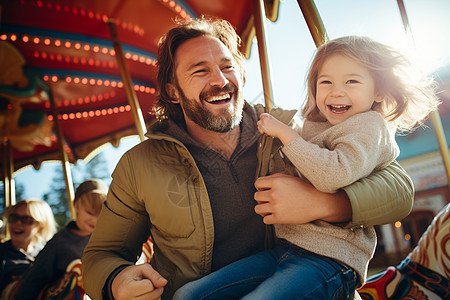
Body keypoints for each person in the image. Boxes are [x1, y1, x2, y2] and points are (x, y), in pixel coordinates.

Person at [82, 17, 415, 300]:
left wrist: (327, 204)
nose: (220, 80)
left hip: (304, 272)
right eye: (200, 71)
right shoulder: (140, 165)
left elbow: (398, 188)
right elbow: (102, 254)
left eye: (227, 66)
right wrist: (115, 281)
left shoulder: (289, 129)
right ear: (172, 90)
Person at [173, 35, 440, 299]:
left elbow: (333, 174)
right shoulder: (322, 126)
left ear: (378, 91)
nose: (336, 91)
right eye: (326, 82)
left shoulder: (369, 126)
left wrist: (286, 135)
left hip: (331, 257)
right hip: (291, 248)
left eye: (352, 81)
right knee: (188, 295)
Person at [13, 179, 107, 300]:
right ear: (76, 207)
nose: (95, 220)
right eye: (89, 213)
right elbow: (35, 276)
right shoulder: (60, 242)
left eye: (100, 214)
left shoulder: (105, 240)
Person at [0, 199, 56, 297]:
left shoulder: (48, 253)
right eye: (13, 217)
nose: (17, 223)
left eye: (27, 220)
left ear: (41, 225)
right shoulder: (3, 253)